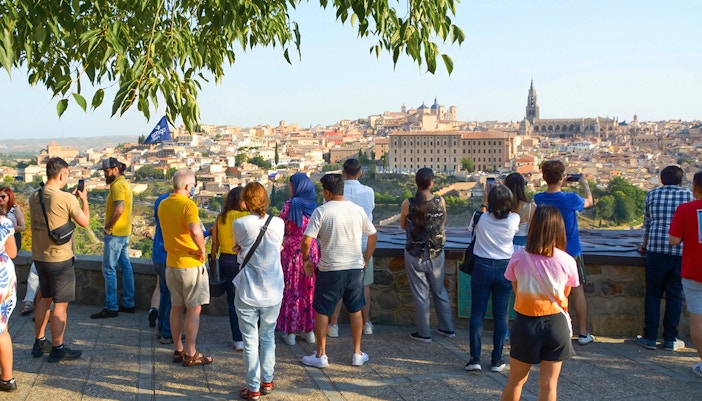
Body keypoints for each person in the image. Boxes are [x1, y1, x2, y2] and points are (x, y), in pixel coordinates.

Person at [501, 206, 579, 401]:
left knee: (516, 381)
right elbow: (565, 294)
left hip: (526, 322)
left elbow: (516, 289)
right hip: (556, 324)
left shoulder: (518, 257)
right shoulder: (568, 261)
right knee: (549, 386)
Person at [300, 174, 377, 368]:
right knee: (355, 309)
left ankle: (321, 355)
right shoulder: (358, 210)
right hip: (354, 267)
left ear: (327, 192)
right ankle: (357, 353)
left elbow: (306, 241)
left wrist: (307, 260)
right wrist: (366, 259)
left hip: (330, 268)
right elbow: (373, 235)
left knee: (322, 310)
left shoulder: (321, 211)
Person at [29, 157, 90, 362]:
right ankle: (58, 348)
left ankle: (39, 342)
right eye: (67, 174)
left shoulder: (33, 196)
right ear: (62, 174)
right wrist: (84, 200)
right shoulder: (66, 198)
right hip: (60, 259)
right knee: (60, 304)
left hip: (39, 257)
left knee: (44, 298)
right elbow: (84, 222)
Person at [233, 182, 285, 400]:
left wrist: (240, 250)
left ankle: (253, 387)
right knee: (268, 337)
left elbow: (239, 246)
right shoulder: (279, 223)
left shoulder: (240, 223)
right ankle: (268, 380)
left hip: (248, 289)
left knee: (250, 341)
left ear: (245, 201)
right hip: (273, 289)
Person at [534, 160, 595, 345]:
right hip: (571, 252)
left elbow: (551, 193)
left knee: (548, 293)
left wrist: (560, 184)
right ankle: (583, 333)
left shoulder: (539, 198)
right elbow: (589, 203)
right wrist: (584, 184)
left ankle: (550, 332)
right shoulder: (571, 199)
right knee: (578, 292)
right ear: (562, 177)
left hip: (547, 251)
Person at [158, 169, 212, 367]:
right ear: (188, 187)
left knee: (176, 307)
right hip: (190, 263)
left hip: (171, 262)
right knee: (194, 309)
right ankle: (191, 352)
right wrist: (202, 249)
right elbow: (195, 230)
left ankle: (178, 348)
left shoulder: (163, 204)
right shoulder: (188, 205)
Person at [635, 166, 692, 351]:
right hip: (680, 250)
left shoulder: (652, 195)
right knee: (674, 295)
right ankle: (670, 339)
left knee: (653, 294)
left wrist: (644, 246)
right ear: (681, 180)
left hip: (656, 249)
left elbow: (648, 224)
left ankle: (650, 337)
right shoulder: (688, 196)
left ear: (661, 180)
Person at [466, 184, 519, 373]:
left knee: (477, 313)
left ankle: (475, 358)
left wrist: (484, 203)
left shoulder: (479, 217)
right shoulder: (514, 219)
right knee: (501, 315)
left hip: (481, 265)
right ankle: (497, 359)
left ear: (490, 201)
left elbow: (470, 231)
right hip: (504, 267)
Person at [399, 168, 454, 343]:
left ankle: (424, 333)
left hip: (414, 253)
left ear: (416, 183)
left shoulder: (408, 203)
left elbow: (402, 226)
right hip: (436, 253)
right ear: (431, 183)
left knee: (420, 294)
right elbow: (442, 222)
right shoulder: (440, 201)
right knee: (439, 291)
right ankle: (447, 328)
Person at [327, 159, 376, 337]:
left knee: (338, 286)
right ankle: (367, 323)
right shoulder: (369, 192)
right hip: (363, 244)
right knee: (364, 285)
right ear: (360, 172)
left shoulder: (338, 192)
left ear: (343, 173)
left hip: (340, 244)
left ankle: (333, 325)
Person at [276, 173, 319, 346]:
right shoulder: (315, 207)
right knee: (309, 290)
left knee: (291, 289)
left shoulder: (289, 206)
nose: (289, 188)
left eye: (291, 185)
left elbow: (280, 227)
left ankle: (290, 331)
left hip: (291, 252)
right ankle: (309, 331)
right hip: (311, 250)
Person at [91, 157, 135, 319]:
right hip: (125, 232)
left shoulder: (117, 185)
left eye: (107, 171)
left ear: (116, 169)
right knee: (126, 267)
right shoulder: (125, 183)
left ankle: (111, 306)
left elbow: (119, 209)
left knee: (109, 269)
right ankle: (129, 303)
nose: (105, 174)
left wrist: (108, 227)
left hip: (115, 234)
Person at [669, 171, 702, 378]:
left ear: (695, 188)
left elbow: (673, 240)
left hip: (693, 271)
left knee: (697, 321)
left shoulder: (686, 209)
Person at [210, 187, 248, 351]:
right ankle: (250, 336)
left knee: (232, 302)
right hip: (243, 260)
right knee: (248, 301)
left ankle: (237, 340)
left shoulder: (221, 218)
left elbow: (214, 244)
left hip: (225, 260)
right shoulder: (247, 217)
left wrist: (213, 261)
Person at [149, 193, 173, 343]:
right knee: (173, 297)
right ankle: (167, 331)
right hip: (169, 256)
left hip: (157, 254)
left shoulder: (160, 200)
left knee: (164, 293)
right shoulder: (179, 205)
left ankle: (161, 327)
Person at [0, 212, 18, 391]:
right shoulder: (5, 222)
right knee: (2, 330)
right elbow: (12, 252)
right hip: (3, 280)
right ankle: (7, 379)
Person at [504, 173, 535, 251]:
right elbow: (532, 231)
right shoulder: (531, 208)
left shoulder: (502, 205)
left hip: (504, 246)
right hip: (523, 247)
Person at [0, 187, 25, 252]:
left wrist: (7, 228)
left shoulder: (15, 209)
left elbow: (22, 227)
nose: (0, 199)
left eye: (3, 197)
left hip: (13, 238)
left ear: (9, 197)